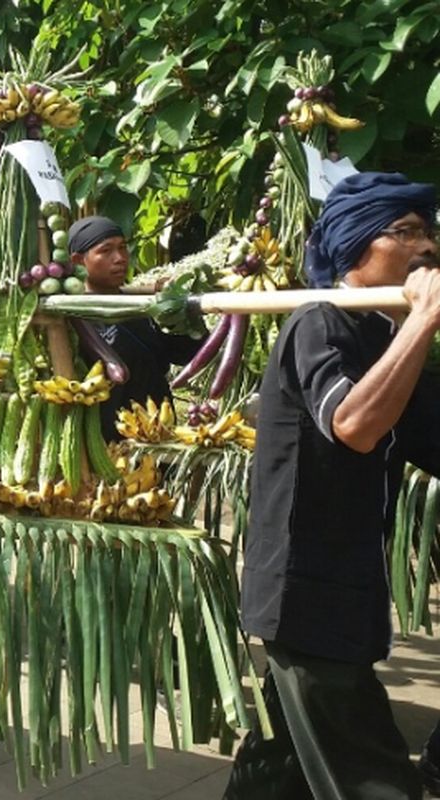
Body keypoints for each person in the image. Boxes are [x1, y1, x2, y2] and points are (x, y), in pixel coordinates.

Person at [224, 172, 440, 800]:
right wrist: (423, 321)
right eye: (404, 231)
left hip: (348, 587)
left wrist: (412, 329)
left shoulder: (382, 335)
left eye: (429, 231)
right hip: (306, 590)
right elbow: (353, 424)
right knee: (373, 776)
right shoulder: (320, 321)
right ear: (355, 243)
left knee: (276, 769)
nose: (425, 245)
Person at [68, 215, 201, 440]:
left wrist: (188, 316)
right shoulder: (74, 319)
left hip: (158, 435)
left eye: (122, 248)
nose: (119, 258)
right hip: (104, 446)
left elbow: (184, 354)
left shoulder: (141, 309)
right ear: (78, 261)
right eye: (106, 250)